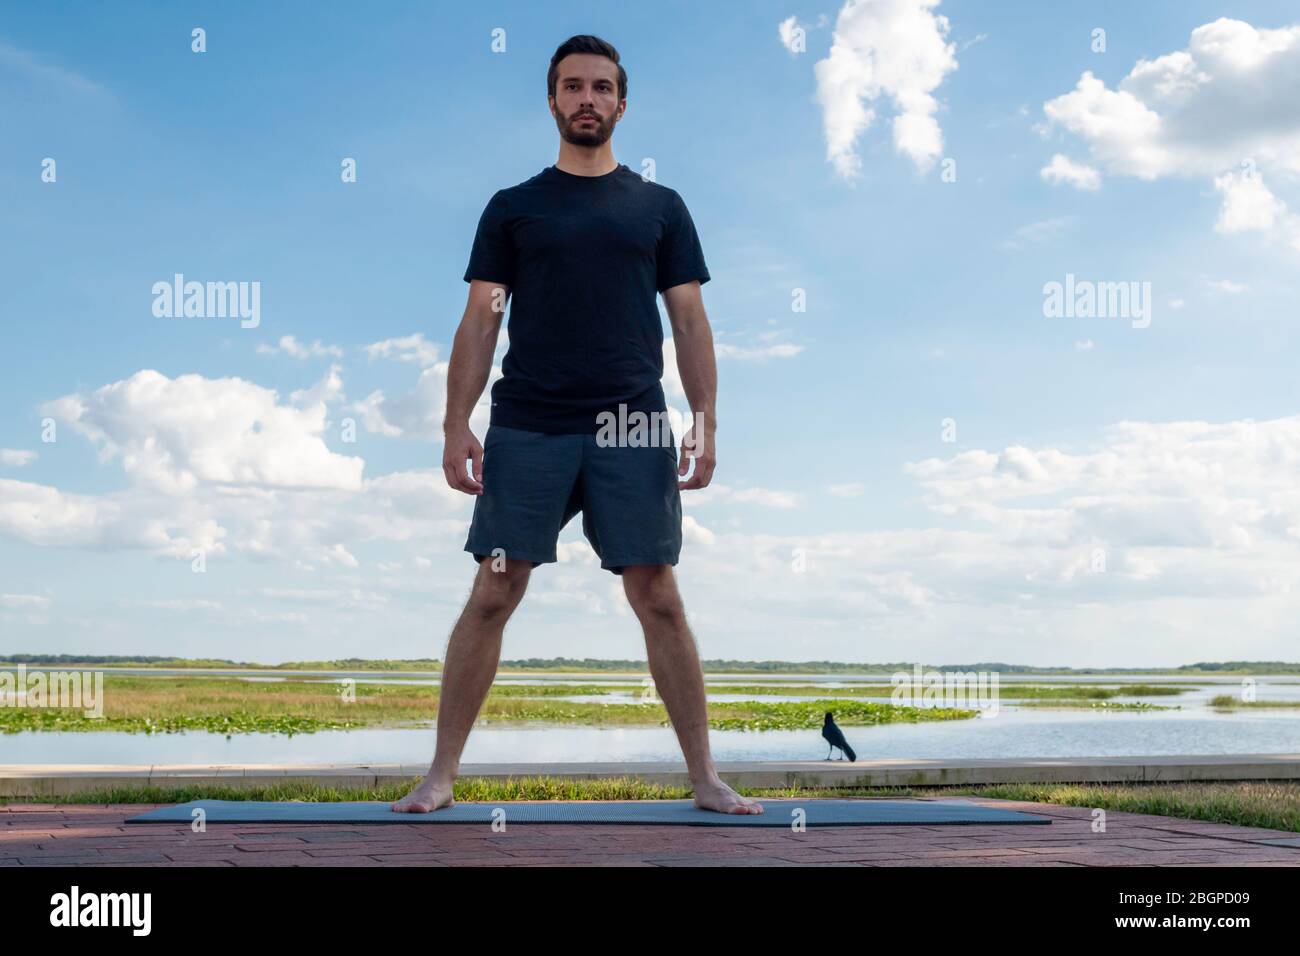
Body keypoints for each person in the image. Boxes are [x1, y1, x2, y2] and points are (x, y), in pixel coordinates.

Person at [393, 34, 762, 815]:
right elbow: (480, 316)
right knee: (494, 590)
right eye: (572, 87)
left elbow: (689, 320)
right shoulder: (514, 207)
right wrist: (457, 422)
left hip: (632, 423)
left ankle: (704, 778)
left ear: (622, 104)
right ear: (552, 100)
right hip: (529, 422)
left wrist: (706, 420)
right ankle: (440, 777)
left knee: (657, 592)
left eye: (601, 88)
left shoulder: (659, 207)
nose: (586, 99)